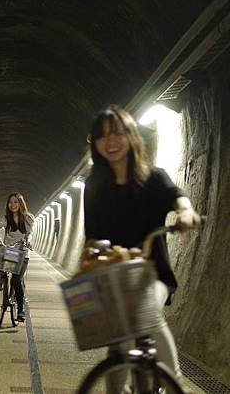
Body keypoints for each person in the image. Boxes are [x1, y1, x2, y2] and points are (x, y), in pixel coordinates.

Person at [83, 105, 201, 390]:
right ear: (95, 143)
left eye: (117, 134)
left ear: (131, 136)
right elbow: (91, 233)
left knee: (146, 310)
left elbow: (178, 197)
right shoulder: (95, 184)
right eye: (102, 136)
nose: (110, 142)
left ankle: (174, 380)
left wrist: (186, 213)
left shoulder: (153, 177)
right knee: (119, 343)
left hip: (153, 274)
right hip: (115, 276)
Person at [0, 192, 35, 322]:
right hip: (9, 251)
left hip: (22, 253)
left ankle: (21, 309)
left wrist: (27, 241)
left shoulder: (28, 218)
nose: (13, 205)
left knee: (16, 280)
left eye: (16, 202)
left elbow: (30, 233)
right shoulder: (6, 218)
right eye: (10, 202)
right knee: (2, 265)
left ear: (21, 203)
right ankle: (1, 279)